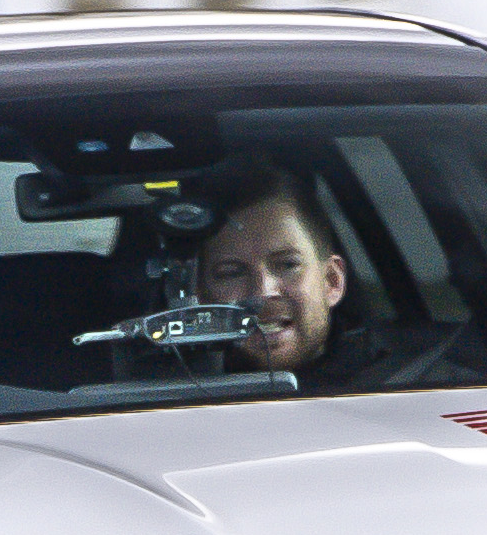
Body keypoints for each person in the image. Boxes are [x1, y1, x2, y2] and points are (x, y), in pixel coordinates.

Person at [184, 164, 459, 393]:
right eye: (232, 273)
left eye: (287, 265)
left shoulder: (429, 386)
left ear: (332, 280)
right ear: (200, 294)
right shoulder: (157, 394)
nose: (262, 291)